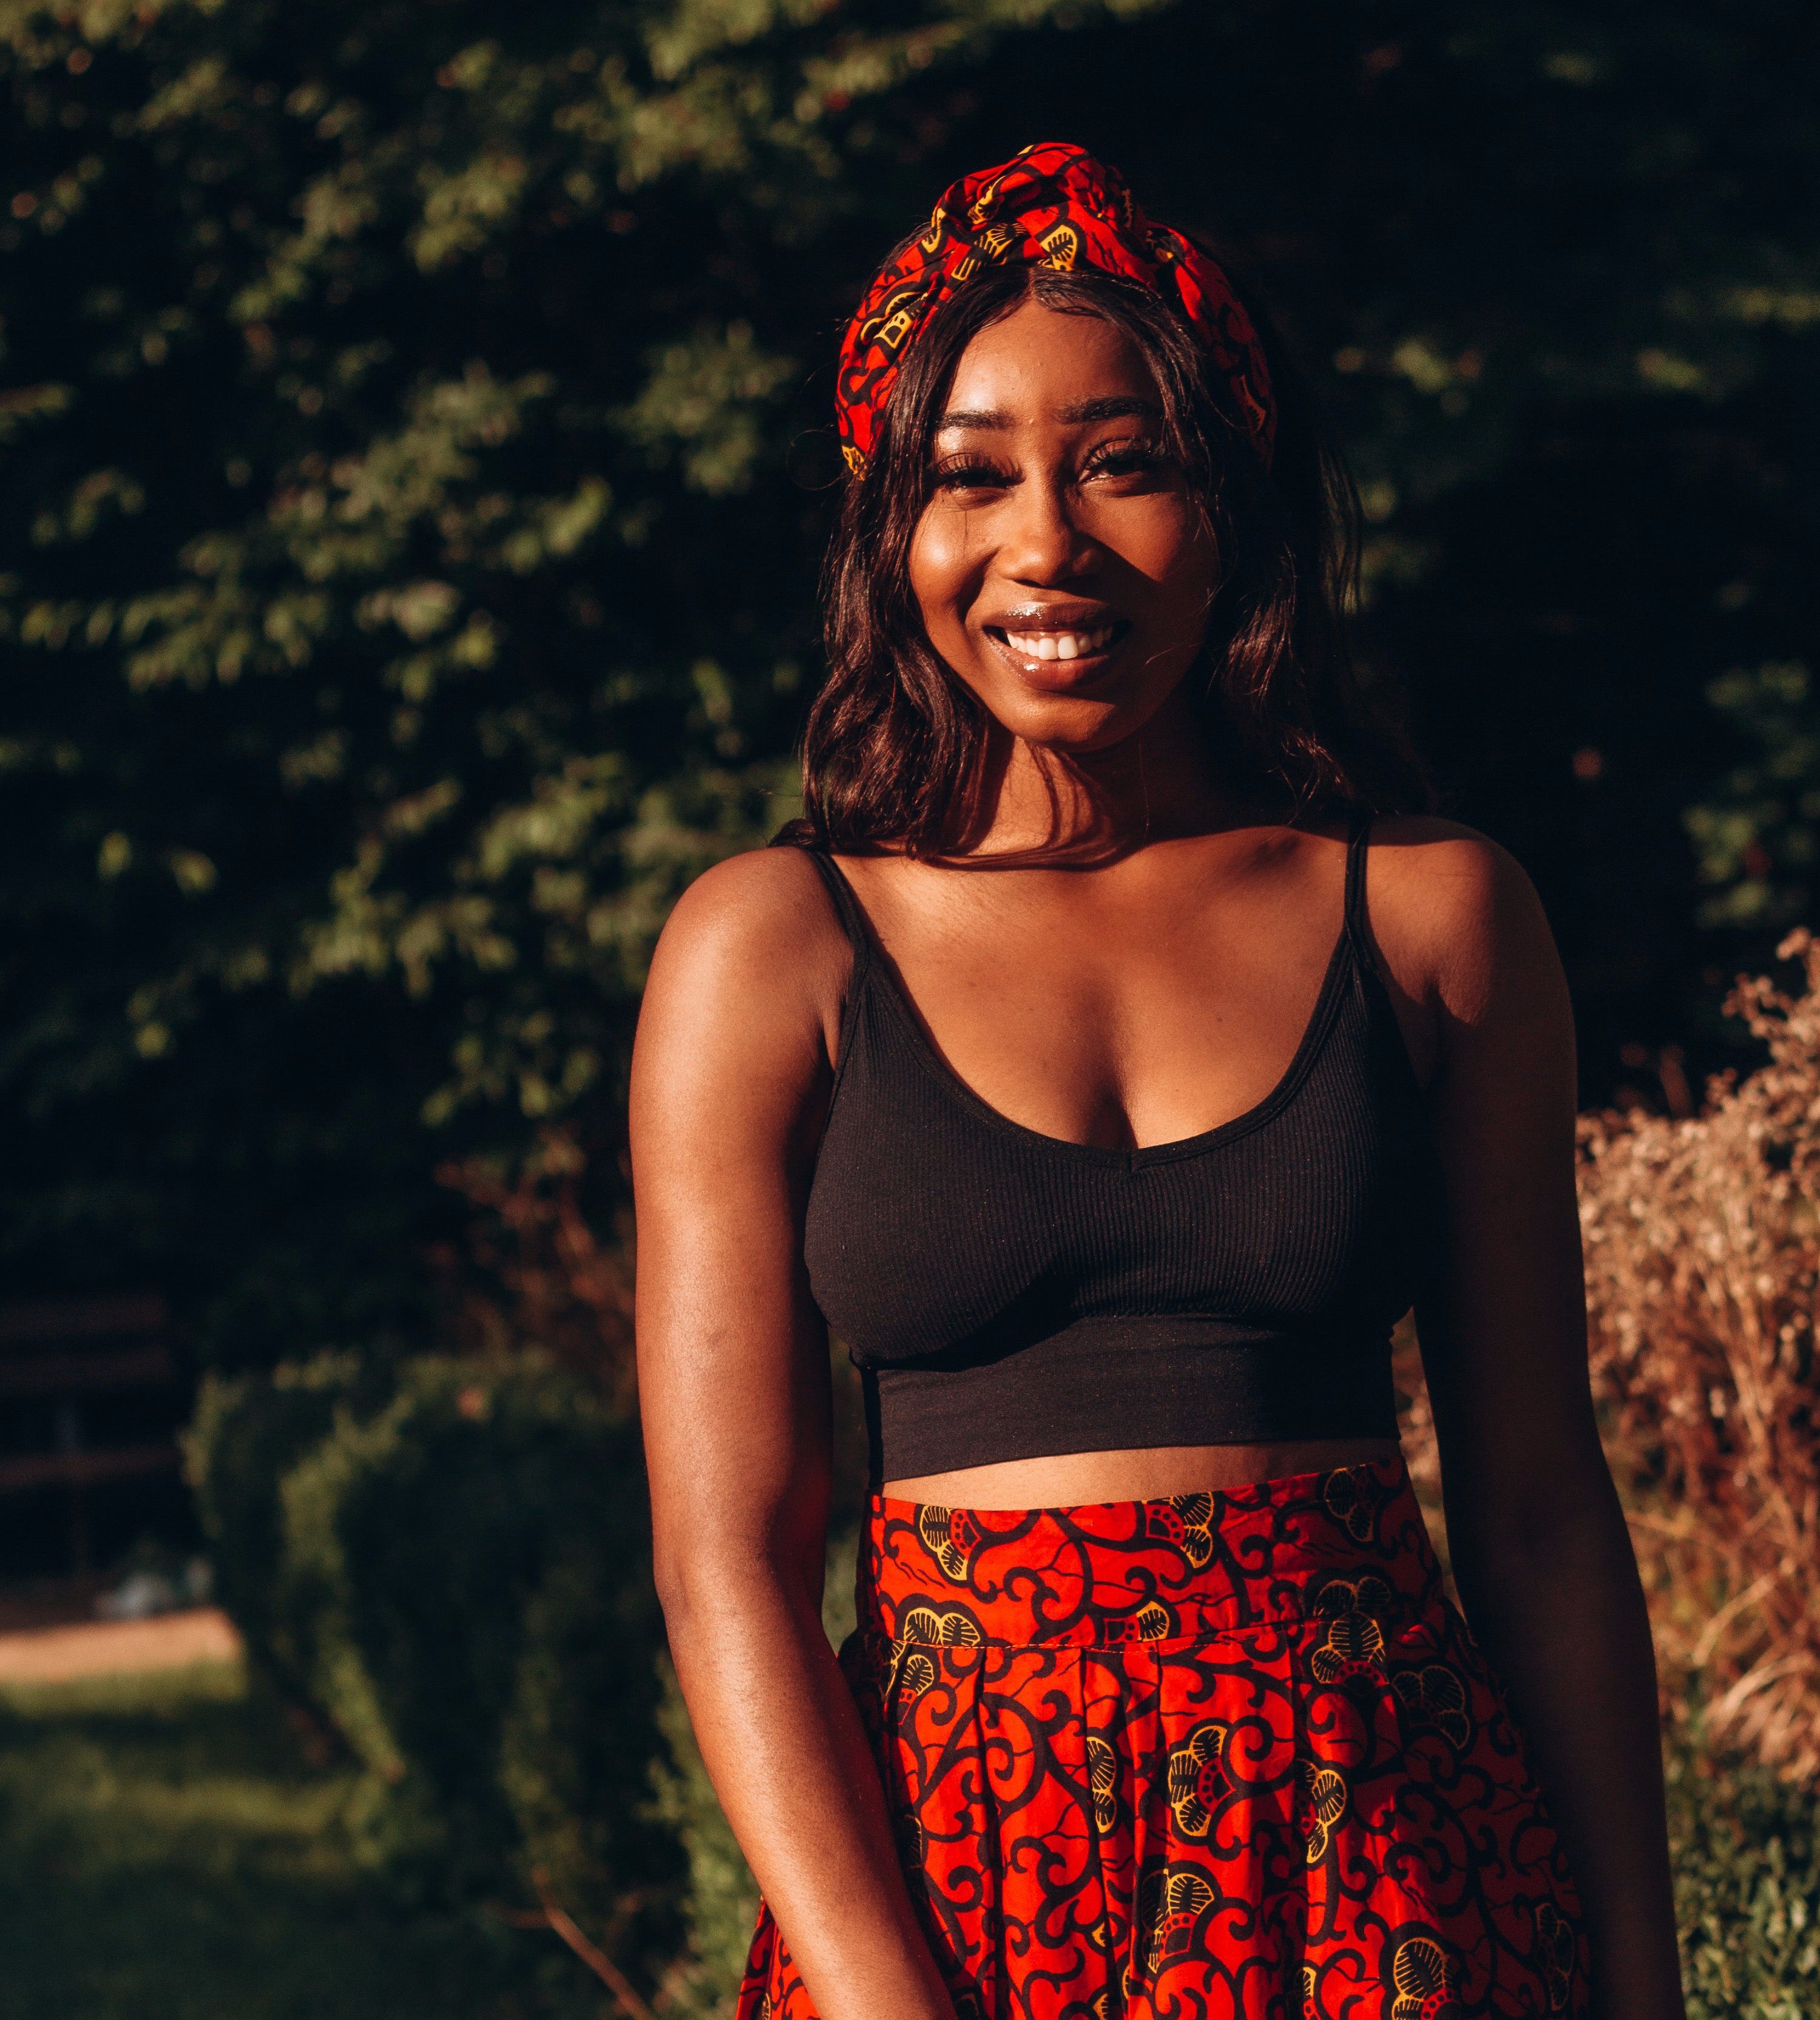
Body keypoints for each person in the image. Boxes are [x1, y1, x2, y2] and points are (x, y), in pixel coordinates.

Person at [633, 142, 1685, 2020]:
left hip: (1401, 1872)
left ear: (1239, 501)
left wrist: (1643, 1986)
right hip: (956, 1898)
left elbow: (1537, 1509)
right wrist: (885, 2002)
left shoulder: (1433, 918)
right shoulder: (769, 949)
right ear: (897, 533)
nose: (1046, 544)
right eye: (971, 477)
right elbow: (733, 1562)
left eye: (1125, 461)